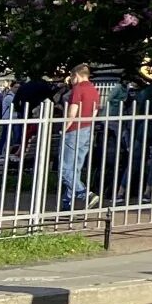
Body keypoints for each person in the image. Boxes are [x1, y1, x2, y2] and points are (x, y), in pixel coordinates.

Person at [58, 64, 103, 211]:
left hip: (74, 131)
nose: (71, 81)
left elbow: (72, 113)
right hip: (87, 130)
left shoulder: (78, 89)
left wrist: (64, 130)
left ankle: (84, 194)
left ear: (76, 75)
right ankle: (67, 202)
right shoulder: (94, 89)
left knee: (64, 169)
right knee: (75, 168)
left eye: (71, 77)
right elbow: (95, 111)